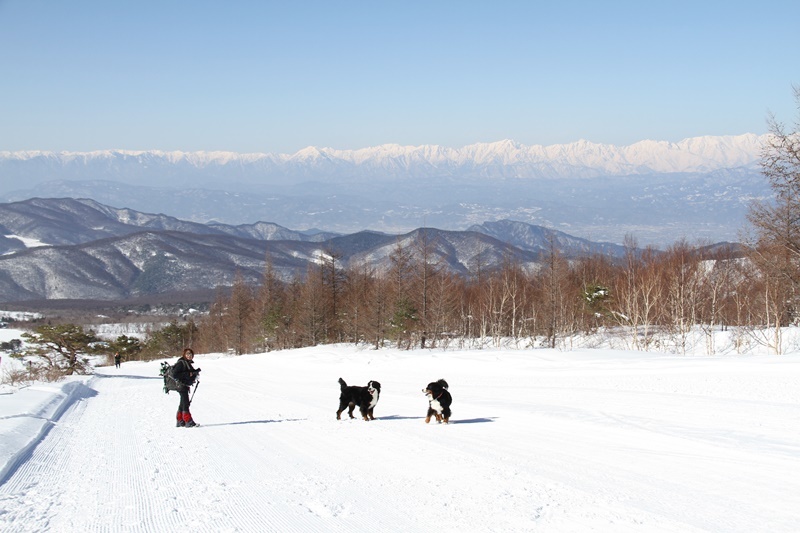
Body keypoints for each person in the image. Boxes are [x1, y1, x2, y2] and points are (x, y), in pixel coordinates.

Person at [172, 348, 201, 427]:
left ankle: (180, 420)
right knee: (185, 403)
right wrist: (188, 374)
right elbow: (175, 374)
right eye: (187, 354)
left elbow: (189, 372)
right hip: (181, 385)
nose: (189, 356)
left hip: (184, 385)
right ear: (184, 355)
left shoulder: (187, 363)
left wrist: (195, 372)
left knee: (183, 403)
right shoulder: (181, 363)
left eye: (191, 354)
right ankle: (188, 421)